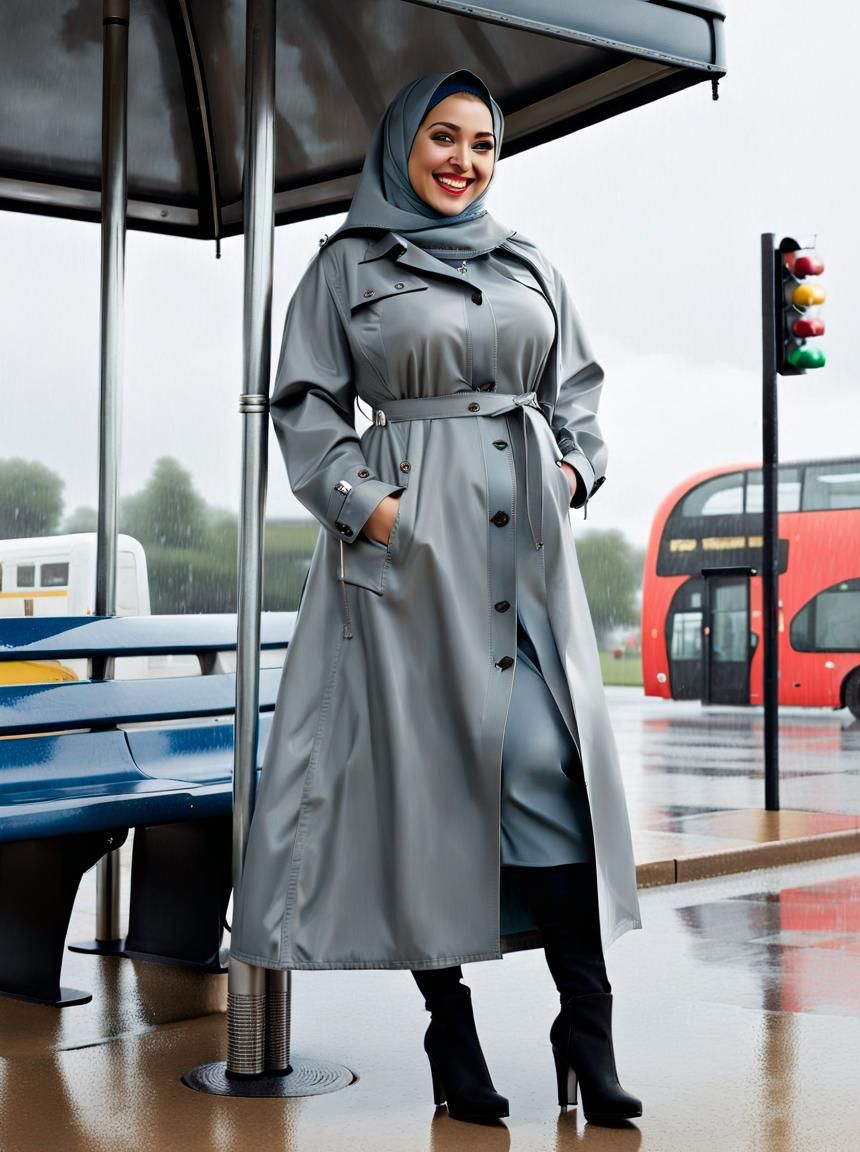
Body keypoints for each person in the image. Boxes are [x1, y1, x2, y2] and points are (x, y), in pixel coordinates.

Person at [230, 69, 643, 1127]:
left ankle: (583, 1030)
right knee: (426, 786)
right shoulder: (344, 267)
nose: (464, 161)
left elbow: (579, 397)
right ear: (402, 144)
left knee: (550, 771)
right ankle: (448, 1026)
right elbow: (305, 407)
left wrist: (568, 475)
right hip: (406, 567)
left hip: (527, 561)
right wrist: (372, 512)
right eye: (443, 138)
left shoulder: (528, 262)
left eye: (482, 145)